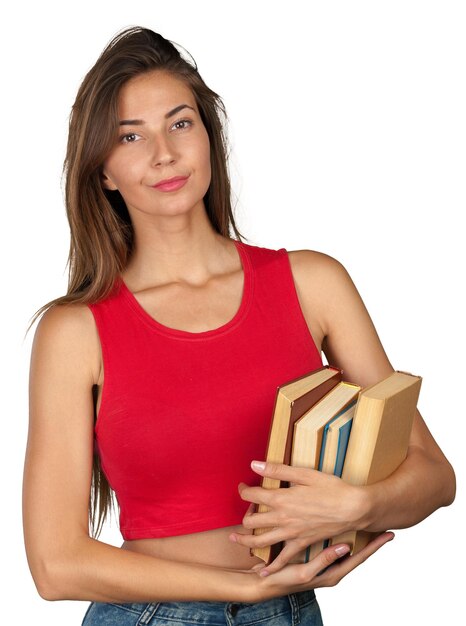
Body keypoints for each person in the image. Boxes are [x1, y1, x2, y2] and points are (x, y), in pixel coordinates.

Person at [22, 26, 455, 625]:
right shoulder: (75, 332)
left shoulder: (312, 283)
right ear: (103, 172)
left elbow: (434, 476)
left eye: (180, 123)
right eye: (130, 136)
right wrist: (245, 591)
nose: (164, 154)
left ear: (208, 137)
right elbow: (55, 564)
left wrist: (359, 505)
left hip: (292, 612)